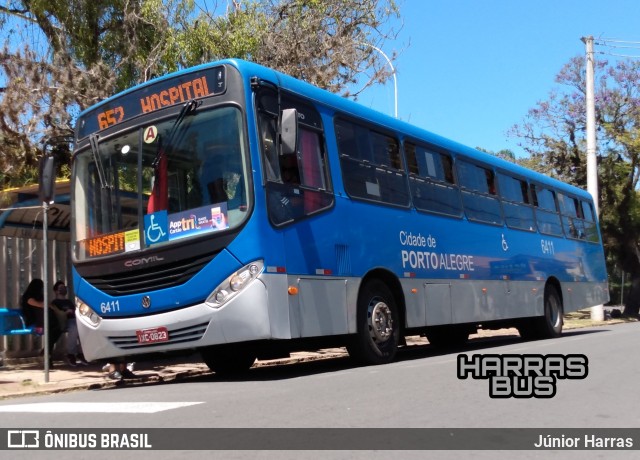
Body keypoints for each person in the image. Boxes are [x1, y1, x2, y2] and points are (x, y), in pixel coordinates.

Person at [21, 278, 62, 367]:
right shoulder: (28, 298)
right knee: (54, 328)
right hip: (35, 322)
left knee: (56, 329)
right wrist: (48, 305)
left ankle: (46, 353)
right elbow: (40, 305)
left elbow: (48, 305)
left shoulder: (39, 296)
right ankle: (47, 355)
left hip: (44, 321)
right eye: (41, 287)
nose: (42, 289)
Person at [51, 280, 88, 366]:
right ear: (56, 291)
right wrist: (66, 312)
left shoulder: (69, 302)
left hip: (74, 320)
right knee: (74, 327)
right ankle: (71, 354)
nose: (63, 289)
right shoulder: (55, 302)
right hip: (64, 322)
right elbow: (56, 314)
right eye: (61, 288)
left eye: (64, 287)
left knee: (83, 328)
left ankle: (81, 353)